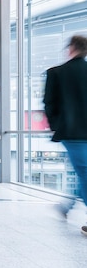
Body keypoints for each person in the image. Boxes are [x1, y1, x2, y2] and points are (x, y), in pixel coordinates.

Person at [43, 35, 87, 236]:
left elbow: (49, 103)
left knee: (84, 172)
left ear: (71, 48)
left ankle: (66, 206)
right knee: (83, 171)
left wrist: (55, 126)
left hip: (71, 132)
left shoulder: (56, 73)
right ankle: (66, 206)